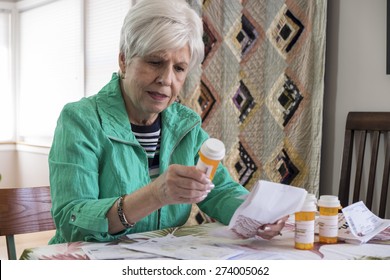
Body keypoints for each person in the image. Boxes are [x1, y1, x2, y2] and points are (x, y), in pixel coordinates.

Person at [48, 0, 287, 244]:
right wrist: (155, 194)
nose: (166, 79)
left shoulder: (186, 126)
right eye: (155, 62)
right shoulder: (81, 120)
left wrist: (256, 214)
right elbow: (71, 224)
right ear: (124, 60)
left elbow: (219, 190)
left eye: (180, 68)